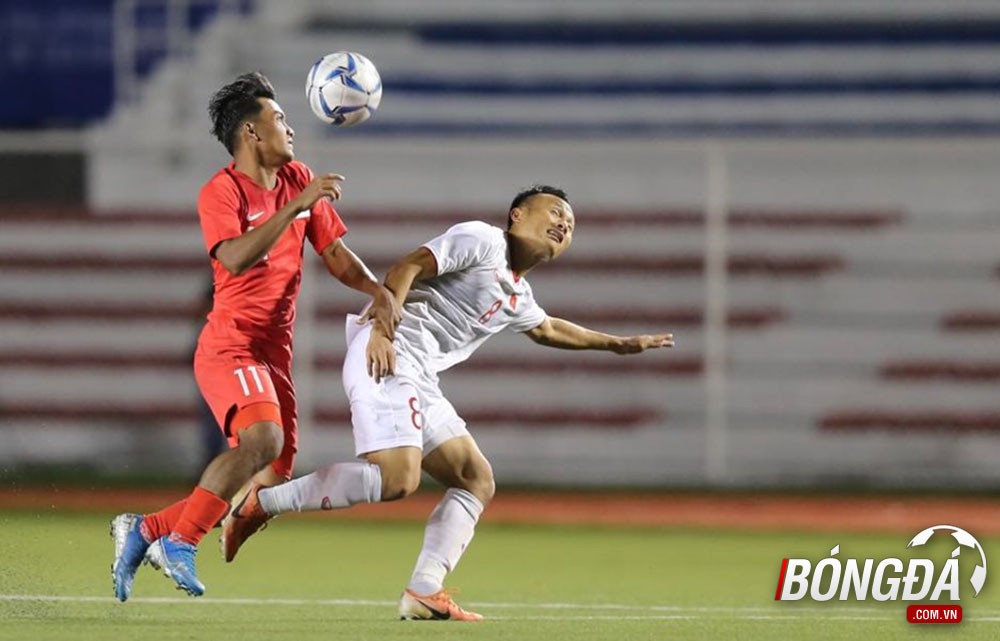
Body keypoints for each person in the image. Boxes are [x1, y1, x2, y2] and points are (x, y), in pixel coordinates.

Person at [221, 185, 673, 620]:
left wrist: (617, 344)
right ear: (517, 214)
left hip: (420, 376)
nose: (563, 222)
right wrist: (382, 330)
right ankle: (263, 503)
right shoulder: (483, 239)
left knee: (475, 479)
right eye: (554, 211)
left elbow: (546, 328)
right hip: (389, 352)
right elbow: (408, 267)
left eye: (570, 222)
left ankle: (424, 589)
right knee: (398, 479)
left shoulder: (517, 294)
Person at [110, 71, 401, 601]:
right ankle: (182, 540)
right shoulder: (221, 192)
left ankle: (147, 529)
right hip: (231, 344)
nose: (290, 128)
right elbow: (236, 258)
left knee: (273, 473)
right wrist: (297, 205)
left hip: (274, 352)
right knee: (261, 441)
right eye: (280, 119)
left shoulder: (297, 179)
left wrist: (377, 289)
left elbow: (333, 253)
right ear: (250, 133)